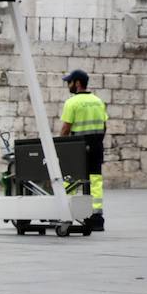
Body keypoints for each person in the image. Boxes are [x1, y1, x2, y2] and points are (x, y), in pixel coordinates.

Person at [59, 68, 108, 230]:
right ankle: (96, 217)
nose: (68, 85)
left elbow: (66, 128)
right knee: (95, 180)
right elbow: (104, 126)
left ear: (77, 83)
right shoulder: (98, 101)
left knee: (70, 179)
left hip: (78, 148)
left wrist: (60, 146)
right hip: (96, 146)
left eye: (69, 82)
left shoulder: (72, 102)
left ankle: (67, 213)